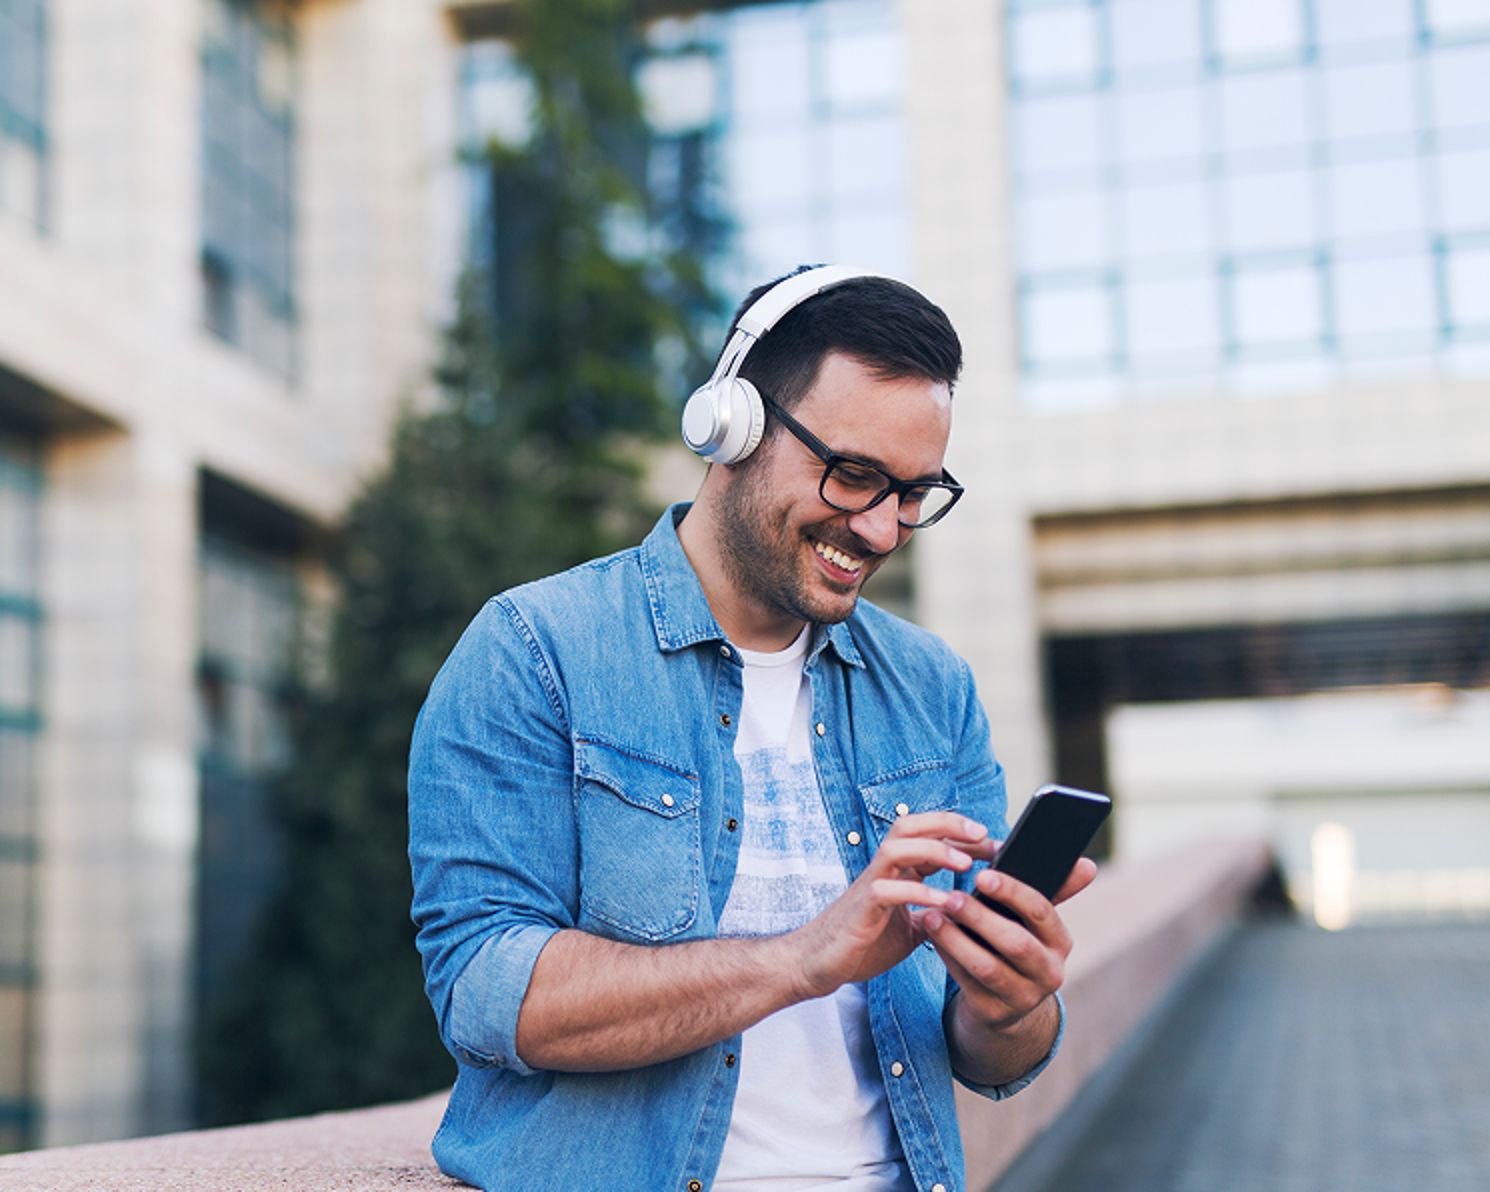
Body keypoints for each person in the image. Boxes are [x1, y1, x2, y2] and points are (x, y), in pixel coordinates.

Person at [407, 266, 1097, 1192]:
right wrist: (806, 957)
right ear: (730, 423)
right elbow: (488, 993)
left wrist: (1012, 1003)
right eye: (854, 476)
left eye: (912, 493)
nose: (884, 529)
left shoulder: (935, 690)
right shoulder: (534, 652)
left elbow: (991, 1060)